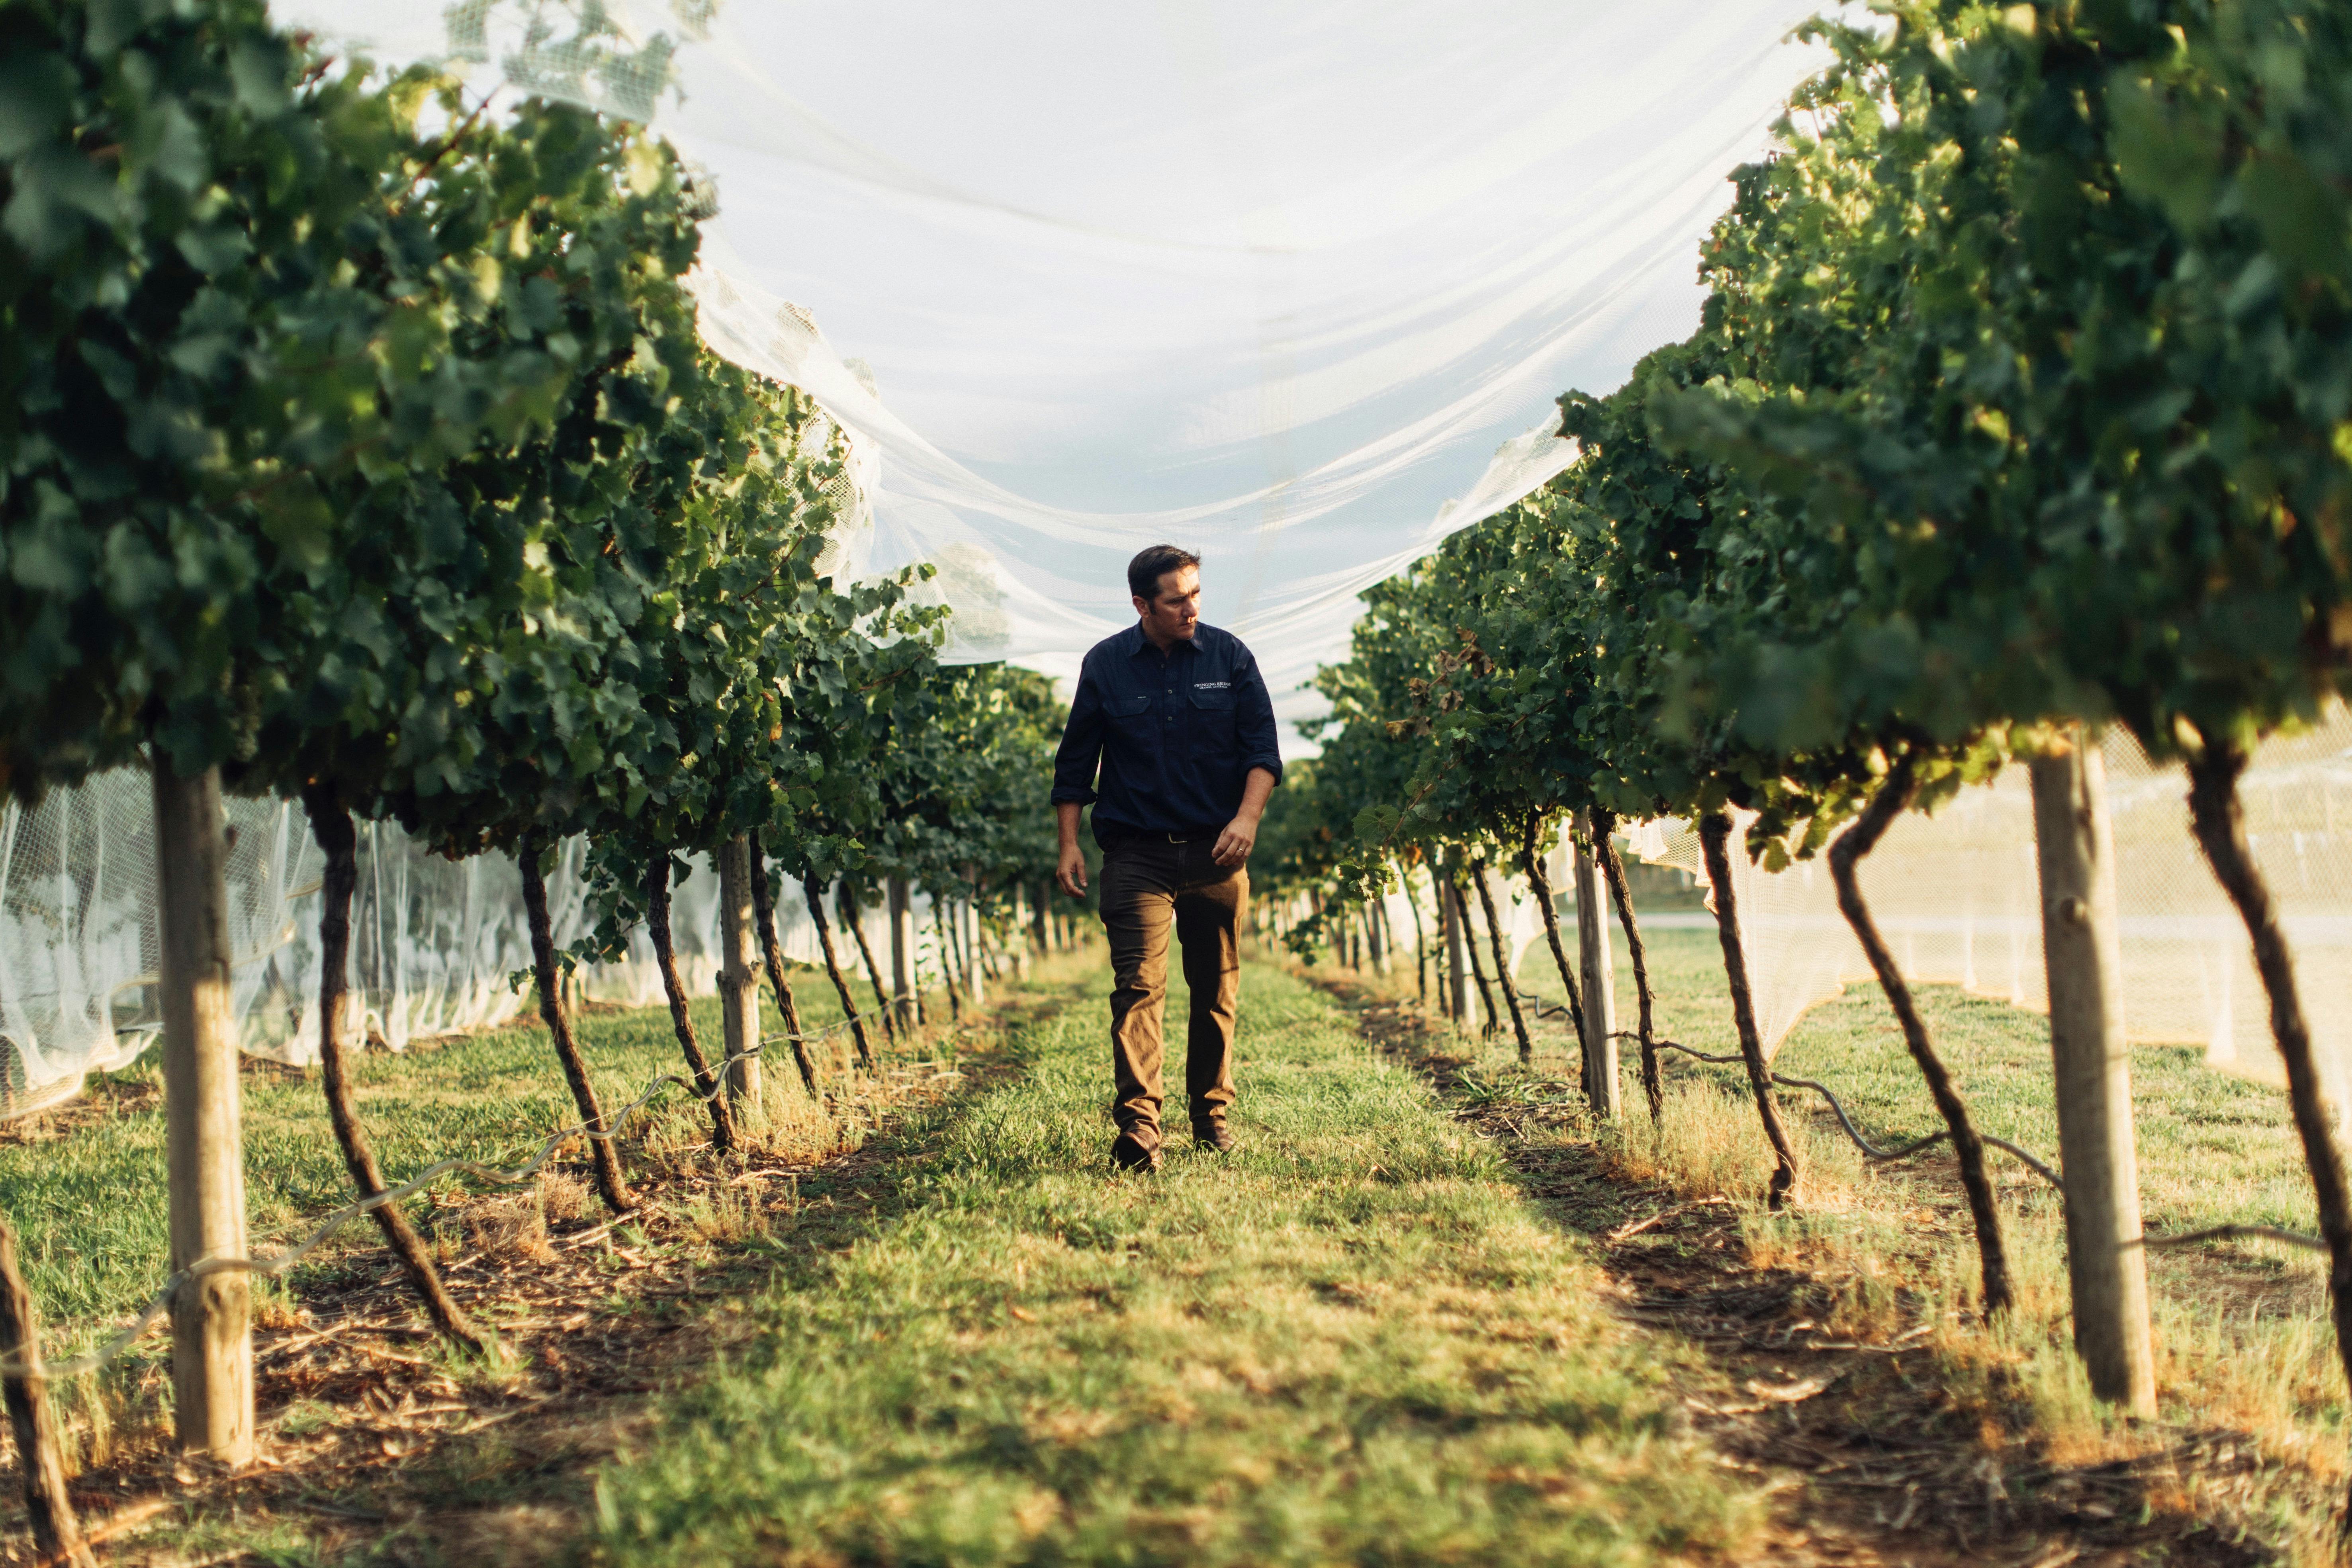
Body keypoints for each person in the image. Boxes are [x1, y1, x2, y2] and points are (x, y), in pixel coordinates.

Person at [1052, 545, 1282, 1173]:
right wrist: (1069, 842)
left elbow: (1263, 750)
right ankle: (1140, 1127)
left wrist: (1246, 818)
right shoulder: (1104, 665)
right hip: (1136, 856)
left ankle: (1210, 1117)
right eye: (1177, 598)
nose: (1191, 608)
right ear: (1141, 604)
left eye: (1196, 593)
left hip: (1217, 853)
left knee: (1214, 990)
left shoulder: (1230, 657)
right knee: (1136, 990)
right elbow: (1075, 764)